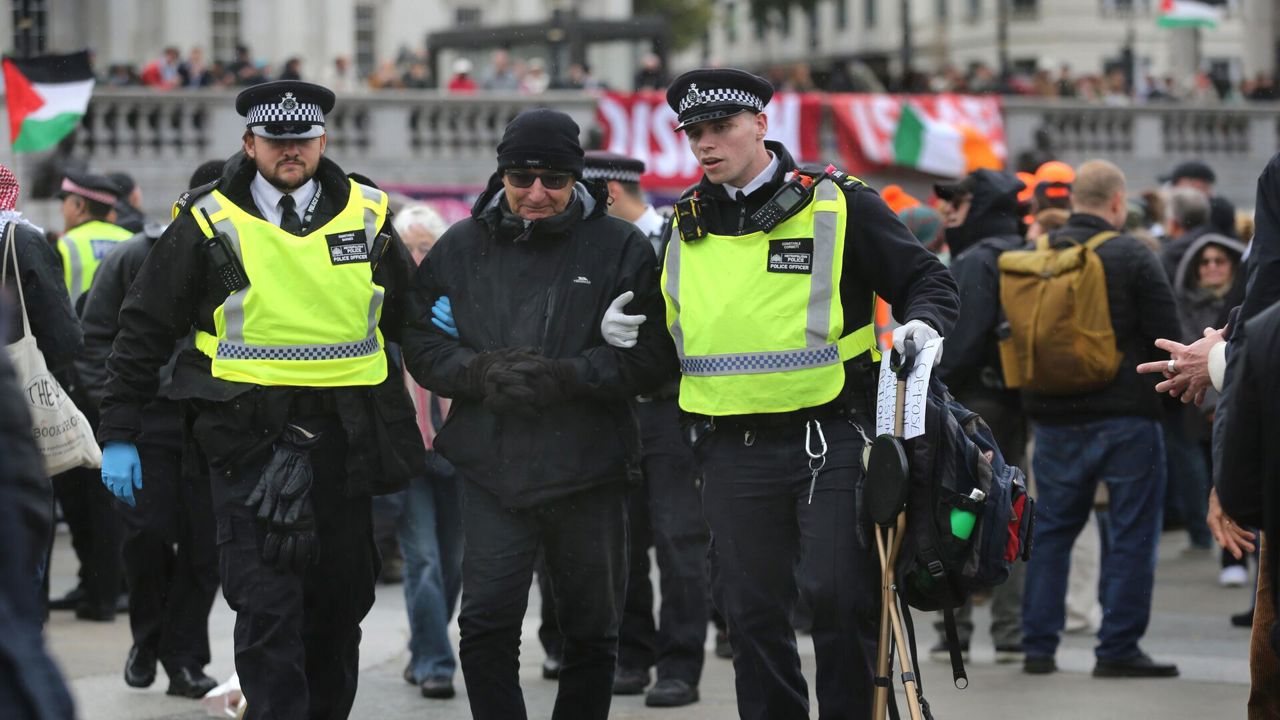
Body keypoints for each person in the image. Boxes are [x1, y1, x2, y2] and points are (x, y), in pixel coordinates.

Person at [634, 68, 958, 720]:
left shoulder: (839, 201)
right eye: (693, 132)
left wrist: (923, 324)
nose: (705, 144)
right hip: (729, 448)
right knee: (750, 617)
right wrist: (622, 338)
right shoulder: (683, 227)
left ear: (760, 124)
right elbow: (663, 345)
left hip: (831, 435)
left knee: (839, 599)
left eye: (720, 128)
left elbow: (928, 281)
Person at [96, 80, 424, 720]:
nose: (290, 152)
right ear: (250, 144)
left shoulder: (370, 215)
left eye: (302, 139)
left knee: (338, 609)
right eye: (276, 141)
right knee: (267, 607)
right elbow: (141, 331)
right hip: (245, 443)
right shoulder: (206, 221)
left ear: (322, 140)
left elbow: (415, 322)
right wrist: (119, 431)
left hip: (344, 444)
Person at [401, 108, 674, 720]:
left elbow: (655, 357)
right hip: (493, 465)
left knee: (591, 630)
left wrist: (567, 375)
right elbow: (420, 341)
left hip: (589, 466)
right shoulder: (463, 243)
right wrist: (477, 372)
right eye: (521, 178)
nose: (536, 194)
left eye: (553, 180)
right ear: (500, 176)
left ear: (577, 179)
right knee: (487, 624)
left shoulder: (619, 245)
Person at [1019, 160, 1182, 678]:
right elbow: (1167, 336)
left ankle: (1038, 646)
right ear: (1117, 202)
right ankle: (1117, 648)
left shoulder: (1039, 254)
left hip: (1053, 416)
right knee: (1133, 533)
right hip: (1128, 417)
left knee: (1053, 532)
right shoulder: (1133, 254)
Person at [78, 160, 226, 698]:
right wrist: (117, 417)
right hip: (150, 421)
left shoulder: (247, 255)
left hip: (218, 421)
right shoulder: (135, 255)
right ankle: (149, 639)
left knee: (207, 548)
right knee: (146, 538)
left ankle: (184, 658)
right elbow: (95, 340)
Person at [583, 151, 708, 707]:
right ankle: (632, 655)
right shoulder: (591, 245)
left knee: (681, 542)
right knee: (622, 543)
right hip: (613, 409)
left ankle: (680, 665)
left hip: (670, 410)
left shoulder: (679, 236)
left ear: (608, 191)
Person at [930, 169, 1029, 665]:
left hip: (974, 408)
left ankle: (955, 626)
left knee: (958, 512)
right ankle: (1011, 630)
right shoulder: (1027, 253)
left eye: (959, 202)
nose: (949, 210)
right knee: (1014, 509)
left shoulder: (975, 261)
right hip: (1024, 404)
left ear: (982, 206)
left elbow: (960, 343)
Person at [393, 203, 464, 700]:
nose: (418, 256)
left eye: (426, 246)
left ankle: (423, 647)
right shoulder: (386, 303)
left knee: (454, 562)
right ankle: (437, 662)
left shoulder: (460, 297)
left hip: (458, 448)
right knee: (423, 561)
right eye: (409, 247)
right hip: (407, 451)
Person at [55, 170, 134, 306]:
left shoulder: (64, 245)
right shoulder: (132, 241)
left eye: (64, 201)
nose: (61, 209)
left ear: (79, 205)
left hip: (77, 326)